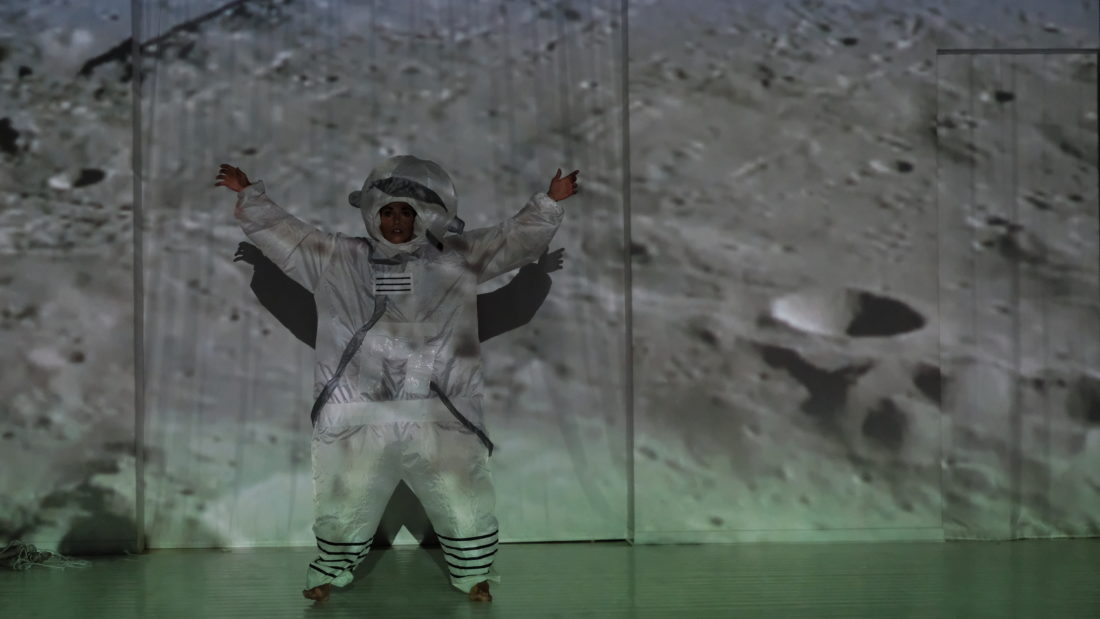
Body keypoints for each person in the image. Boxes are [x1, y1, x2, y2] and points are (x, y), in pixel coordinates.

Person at [215, 156, 578, 603]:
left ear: (425, 215)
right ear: (373, 214)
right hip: (360, 413)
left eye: (407, 212)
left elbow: (510, 240)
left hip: (438, 412)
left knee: (462, 498)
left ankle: (474, 575)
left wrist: (548, 203)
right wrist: (249, 194)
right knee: (343, 500)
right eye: (388, 212)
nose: (397, 222)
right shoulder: (341, 258)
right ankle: (329, 571)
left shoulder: (454, 258)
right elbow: (290, 236)